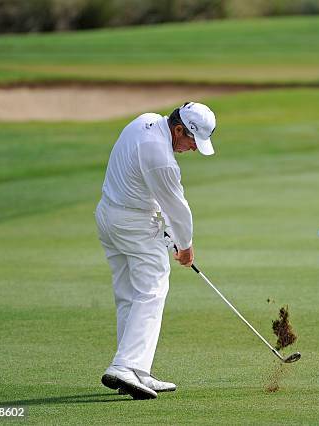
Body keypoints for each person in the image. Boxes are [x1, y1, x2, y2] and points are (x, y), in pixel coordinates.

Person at [94, 102, 216, 399]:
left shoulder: (146, 120)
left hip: (109, 214)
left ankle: (135, 372)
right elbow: (178, 208)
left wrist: (171, 236)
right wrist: (185, 246)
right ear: (178, 130)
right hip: (133, 224)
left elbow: (148, 191)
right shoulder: (162, 158)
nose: (193, 149)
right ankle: (126, 365)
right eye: (192, 142)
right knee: (152, 290)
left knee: (129, 295)